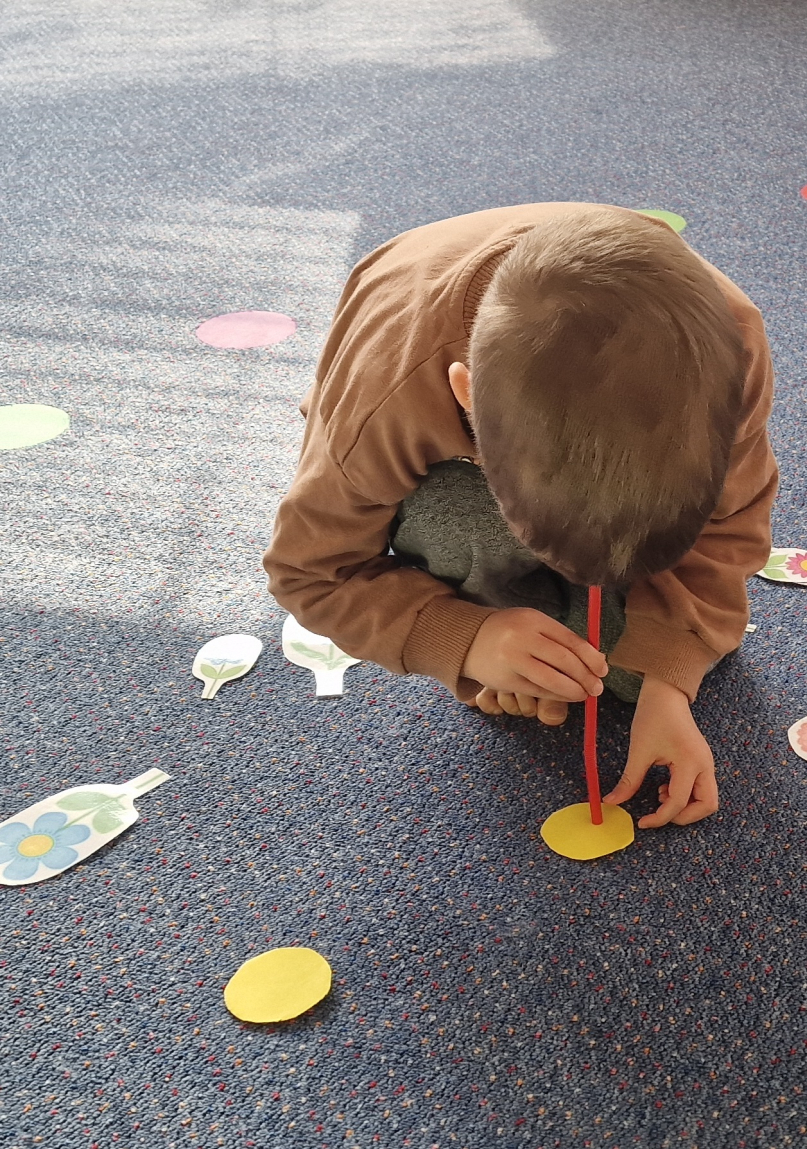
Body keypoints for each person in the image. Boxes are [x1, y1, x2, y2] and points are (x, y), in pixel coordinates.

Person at [264, 202, 778, 829]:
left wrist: (667, 679)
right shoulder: (384, 404)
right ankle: (510, 596)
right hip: (416, 420)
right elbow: (311, 572)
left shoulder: (734, 351)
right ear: (465, 397)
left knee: (624, 674)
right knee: (460, 523)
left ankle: (564, 611)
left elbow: (730, 526)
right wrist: (468, 638)